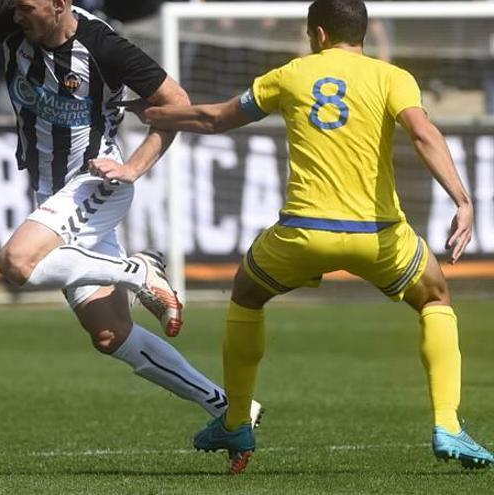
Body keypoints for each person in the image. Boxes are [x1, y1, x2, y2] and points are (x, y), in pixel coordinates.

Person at [116, 0, 493, 474]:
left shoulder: (289, 74)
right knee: (436, 298)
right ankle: (448, 425)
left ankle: (236, 420)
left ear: (316, 34)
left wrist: (157, 116)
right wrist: (462, 198)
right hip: (378, 237)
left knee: (247, 295)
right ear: (364, 34)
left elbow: (215, 119)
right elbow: (423, 133)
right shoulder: (394, 78)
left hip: (302, 234)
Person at [0, 0, 262, 438]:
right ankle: (229, 408)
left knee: (16, 263)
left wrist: (134, 168)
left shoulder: (104, 45)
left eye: (28, 8)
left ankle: (136, 272)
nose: (19, 16)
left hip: (95, 182)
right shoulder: (9, 20)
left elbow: (175, 102)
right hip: (52, 193)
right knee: (110, 335)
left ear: (61, 4)